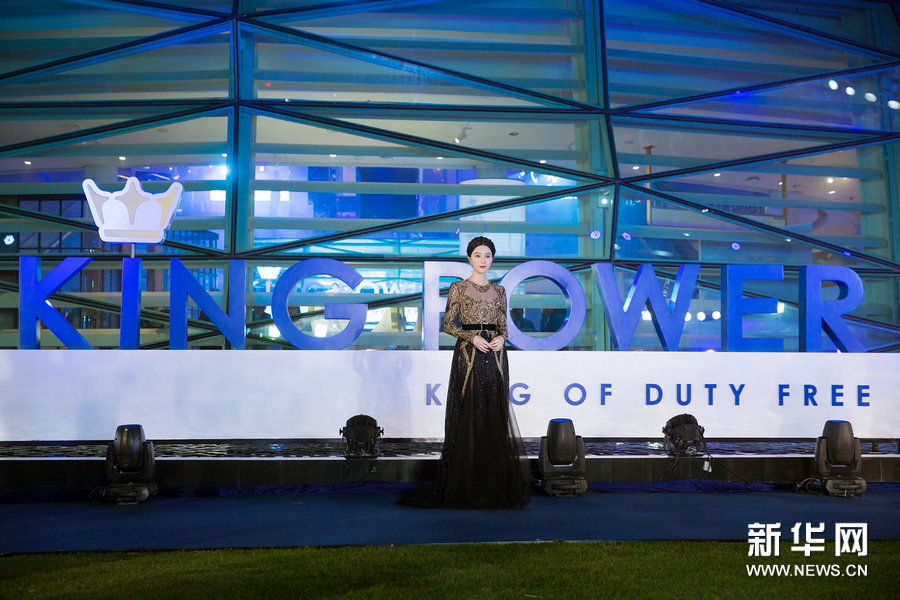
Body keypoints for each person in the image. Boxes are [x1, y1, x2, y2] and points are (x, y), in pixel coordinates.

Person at [396, 236, 532, 509]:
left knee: (494, 413)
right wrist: (473, 338)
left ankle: (493, 485)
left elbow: (504, 327)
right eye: (478, 255)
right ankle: (465, 484)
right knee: (468, 412)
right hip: (469, 355)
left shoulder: (500, 291)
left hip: (495, 356)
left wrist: (501, 338)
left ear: (492, 259)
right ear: (469, 258)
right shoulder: (458, 288)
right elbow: (448, 324)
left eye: (487, 256)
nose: (483, 260)